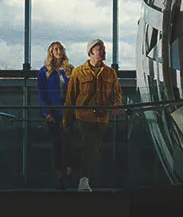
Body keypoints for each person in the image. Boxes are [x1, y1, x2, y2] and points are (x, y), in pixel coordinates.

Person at [63, 39, 122, 192]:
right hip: (84, 116)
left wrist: (116, 105)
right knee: (91, 144)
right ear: (91, 52)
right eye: (100, 49)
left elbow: (117, 92)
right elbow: (71, 96)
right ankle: (84, 180)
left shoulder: (110, 72)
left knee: (93, 147)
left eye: (104, 49)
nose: (104, 51)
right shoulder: (78, 72)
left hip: (102, 117)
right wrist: (66, 119)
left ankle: (83, 178)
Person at [37, 41, 74, 188]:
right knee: (57, 142)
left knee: (69, 141)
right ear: (51, 52)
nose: (59, 51)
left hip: (67, 111)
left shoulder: (69, 70)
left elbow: (75, 91)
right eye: (55, 49)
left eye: (61, 49)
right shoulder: (44, 71)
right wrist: (46, 112)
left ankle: (69, 169)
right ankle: (59, 173)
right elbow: (42, 94)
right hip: (52, 112)